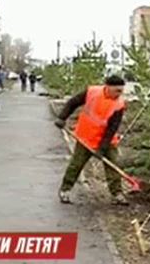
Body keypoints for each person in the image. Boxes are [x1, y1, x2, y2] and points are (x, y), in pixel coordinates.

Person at [54, 75, 128, 206]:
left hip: (107, 140)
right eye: (117, 90)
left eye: (121, 91)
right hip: (85, 137)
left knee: (114, 165)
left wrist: (102, 149)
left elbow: (112, 129)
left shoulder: (119, 104)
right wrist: (62, 117)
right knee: (76, 164)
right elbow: (72, 103)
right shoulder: (92, 92)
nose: (120, 94)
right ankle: (65, 190)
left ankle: (117, 193)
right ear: (108, 87)